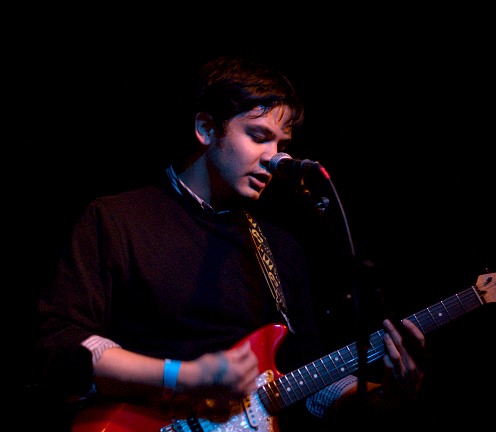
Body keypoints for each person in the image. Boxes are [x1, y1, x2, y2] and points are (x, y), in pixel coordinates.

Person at [32, 54, 426, 431]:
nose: (274, 159)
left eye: (281, 144)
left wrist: (384, 398)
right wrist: (184, 375)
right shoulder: (116, 219)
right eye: (259, 136)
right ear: (206, 129)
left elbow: (305, 382)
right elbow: (62, 343)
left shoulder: (280, 250)